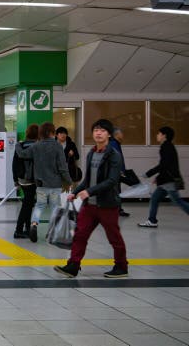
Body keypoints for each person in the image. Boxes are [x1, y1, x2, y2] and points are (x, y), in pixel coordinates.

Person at [55, 118, 128, 279]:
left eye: (102, 130)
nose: (98, 133)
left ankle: (121, 266)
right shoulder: (91, 153)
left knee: (114, 237)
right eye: (96, 130)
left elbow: (112, 181)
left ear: (109, 134)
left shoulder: (114, 155)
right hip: (90, 205)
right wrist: (75, 192)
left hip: (107, 204)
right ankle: (73, 265)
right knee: (80, 234)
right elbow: (87, 179)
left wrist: (89, 192)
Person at [16, 122, 72, 243]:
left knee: (39, 206)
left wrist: (18, 145)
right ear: (53, 133)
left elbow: (22, 154)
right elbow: (63, 167)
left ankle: (34, 224)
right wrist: (68, 181)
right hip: (55, 184)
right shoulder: (58, 146)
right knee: (54, 208)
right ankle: (51, 232)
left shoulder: (36, 146)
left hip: (41, 183)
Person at [138, 126, 189, 228]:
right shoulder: (168, 146)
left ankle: (152, 220)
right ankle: (152, 221)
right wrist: (158, 177)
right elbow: (166, 165)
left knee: (178, 201)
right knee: (155, 198)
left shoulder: (166, 147)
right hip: (166, 180)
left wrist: (149, 173)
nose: (157, 135)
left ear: (164, 135)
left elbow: (163, 165)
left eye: (159, 133)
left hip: (169, 180)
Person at [12, 124, 39, 239]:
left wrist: (15, 180)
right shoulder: (37, 147)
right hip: (32, 180)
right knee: (27, 205)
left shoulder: (20, 145)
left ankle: (27, 228)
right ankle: (18, 230)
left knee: (28, 203)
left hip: (22, 180)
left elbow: (14, 164)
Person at [110, 127, 131, 217]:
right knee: (116, 191)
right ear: (117, 134)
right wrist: (121, 170)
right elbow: (117, 158)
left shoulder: (116, 143)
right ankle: (117, 209)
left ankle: (117, 209)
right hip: (115, 172)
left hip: (115, 171)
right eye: (121, 133)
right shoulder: (114, 143)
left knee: (116, 191)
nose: (122, 135)